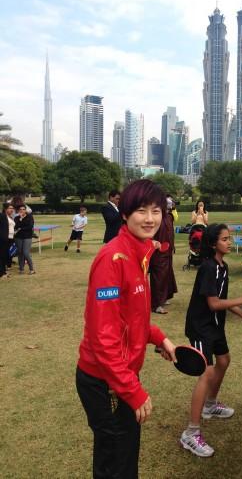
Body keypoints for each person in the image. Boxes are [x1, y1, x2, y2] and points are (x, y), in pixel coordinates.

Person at [76, 179, 176, 479]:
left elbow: (132, 318)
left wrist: (159, 338)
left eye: (156, 211)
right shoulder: (112, 258)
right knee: (116, 461)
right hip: (105, 380)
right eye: (141, 210)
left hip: (120, 374)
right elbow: (102, 337)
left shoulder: (140, 253)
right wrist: (132, 390)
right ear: (124, 213)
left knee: (124, 453)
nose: (150, 219)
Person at [180, 223, 242, 457]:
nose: (229, 242)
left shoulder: (222, 267)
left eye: (229, 238)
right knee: (206, 372)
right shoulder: (207, 268)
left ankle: (210, 405)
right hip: (200, 327)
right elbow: (214, 304)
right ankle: (191, 433)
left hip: (214, 325)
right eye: (225, 239)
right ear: (213, 244)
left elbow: (222, 299)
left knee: (224, 361)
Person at [149, 197, 178, 314]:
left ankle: (164, 298)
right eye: (168, 204)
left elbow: (170, 233)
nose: (170, 206)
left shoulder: (168, 217)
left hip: (168, 252)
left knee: (167, 276)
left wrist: (172, 246)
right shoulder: (155, 218)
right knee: (158, 277)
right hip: (158, 253)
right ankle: (156, 305)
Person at [14, 204, 35, 274]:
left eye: (23, 209)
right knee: (20, 253)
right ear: (18, 210)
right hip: (18, 237)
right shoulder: (16, 218)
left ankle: (31, 269)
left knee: (26, 253)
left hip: (27, 237)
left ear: (25, 210)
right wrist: (20, 219)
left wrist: (20, 228)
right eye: (20, 209)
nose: (22, 210)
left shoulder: (30, 217)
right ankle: (21, 269)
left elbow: (30, 226)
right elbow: (16, 227)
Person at [0, 202, 15, 279]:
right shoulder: (2, 216)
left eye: (12, 208)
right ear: (5, 209)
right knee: (2, 256)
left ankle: (4, 271)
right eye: (10, 208)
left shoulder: (9, 217)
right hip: (3, 239)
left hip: (8, 238)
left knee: (5, 256)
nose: (12, 210)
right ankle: (2, 273)